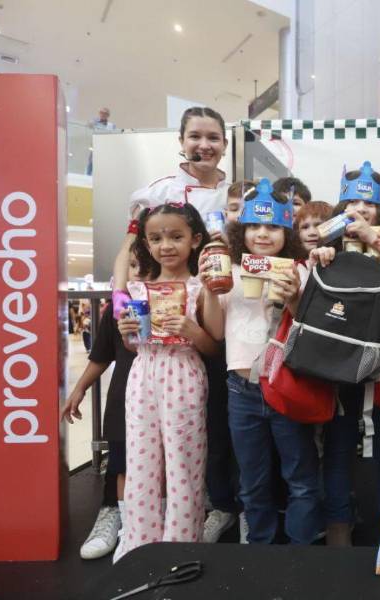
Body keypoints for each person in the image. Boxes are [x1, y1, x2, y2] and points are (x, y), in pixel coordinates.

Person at [204, 179, 320, 545]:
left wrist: (293, 298)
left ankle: (301, 552)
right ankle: (260, 553)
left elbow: (309, 331)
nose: (263, 233)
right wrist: (210, 289)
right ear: (242, 230)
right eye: (254, 225)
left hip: (288, 384)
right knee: (252, 482)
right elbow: (216, 332)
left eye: (272, 226)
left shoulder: (300, 271)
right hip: (242, 390)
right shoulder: (231, 271)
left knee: (300, 478)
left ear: (287, 231)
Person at [114, 202, 223, 561]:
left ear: (195, 240)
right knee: (140, 462)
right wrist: (128, 332)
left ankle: (182, 545)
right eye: (156, 238)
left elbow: (213, 345)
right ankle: (138, 544)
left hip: (184, 373)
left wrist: (192, 331)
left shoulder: (201, 287)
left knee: (184, 463)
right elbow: (133, 345)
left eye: (176, 237)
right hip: (142, 374)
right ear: (145, 243)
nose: (166, 246)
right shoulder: (138, 289)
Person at [308, 162, 380, 546]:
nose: (360, 210)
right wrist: (321, 258)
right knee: (339, 447)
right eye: (352, 203)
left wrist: (378, 244)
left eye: (369, 203)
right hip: (336, 363)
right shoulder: (326, 244)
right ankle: (338, 531)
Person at [111, 106, 230, 319]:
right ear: (182, 142)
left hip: (223, 301)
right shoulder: (157, 193)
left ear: (225, 144)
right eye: (195, 136)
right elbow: (129, 246)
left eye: (213, 138)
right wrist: (119, 293)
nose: (204, 145)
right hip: (168, 303)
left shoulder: (237, 196)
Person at [61, 248, 139, 559]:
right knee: (119, 460)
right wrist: (79, 388)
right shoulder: (118, 310)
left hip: (166, 400)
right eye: (132, 265)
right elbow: (102, 355)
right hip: (124, 400)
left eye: (145, 265)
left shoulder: (179, 300)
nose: (139, 272)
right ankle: (114, 513)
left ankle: (151, 524)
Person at [86, 107, 117, 175]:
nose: (103, 115)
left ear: (108, 115)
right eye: (101, 113)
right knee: (91, 163)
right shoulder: (95, 122)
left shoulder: (111, 125)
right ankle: (88, 176)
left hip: (105, 147)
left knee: (102, 164)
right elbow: (88, 125)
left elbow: (114, 136)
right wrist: (94, 121)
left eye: (105, 113)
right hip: (95, 146)